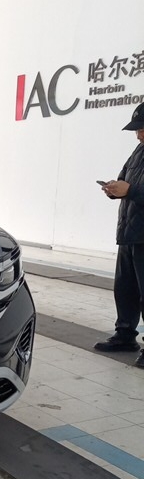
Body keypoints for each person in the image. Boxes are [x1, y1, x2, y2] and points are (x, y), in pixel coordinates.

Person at [94, 102, 144, 369]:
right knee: (125, 289)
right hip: (129, 232)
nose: (138, 134)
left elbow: (134, 189)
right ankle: (125, 335)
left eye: (142, 129)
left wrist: (131, 190)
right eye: (136, 130)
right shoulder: (138, 151)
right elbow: (125, 180)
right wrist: (114, 189)